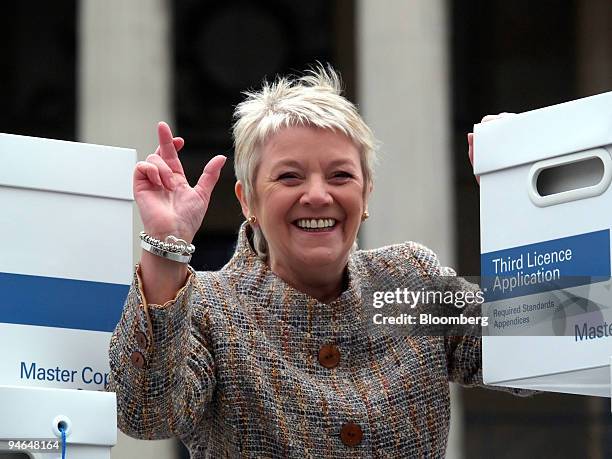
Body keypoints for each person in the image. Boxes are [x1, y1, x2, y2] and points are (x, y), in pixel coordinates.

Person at [107, 66, 526, 458]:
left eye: (341, 176)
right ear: (247, 200)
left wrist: (517, 193)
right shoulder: (210, 307)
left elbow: (543, 339)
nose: (318, 195)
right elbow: (147, 415)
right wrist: (165, 248)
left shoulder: (408, 282)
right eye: (289, 177)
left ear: (366, 195)